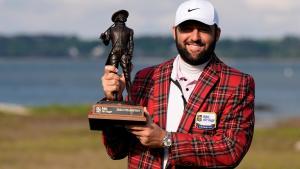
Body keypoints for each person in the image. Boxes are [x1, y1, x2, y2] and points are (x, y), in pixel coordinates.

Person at [100, 0, 255, 168]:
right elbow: (116, 150)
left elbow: (231, 150)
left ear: (217, 33)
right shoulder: (145, 78)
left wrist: (166, 139)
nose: (195, 37)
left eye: (203, 29)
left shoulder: (237, 83)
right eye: (186, 28)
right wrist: (113, 100)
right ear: (174, 32)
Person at [100, 9, 134, 101]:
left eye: (124, 16)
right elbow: (106, 43)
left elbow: (131, 45)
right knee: (113, 75)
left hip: (124, 55)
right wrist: (104, 38)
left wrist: (129, 56)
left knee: (127, 76)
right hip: (114, 54)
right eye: (121, 15)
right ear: (117, 18)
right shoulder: (111, 30)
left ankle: (130, 98)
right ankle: (114, 97)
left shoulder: (129, 31)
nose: (124, 17)